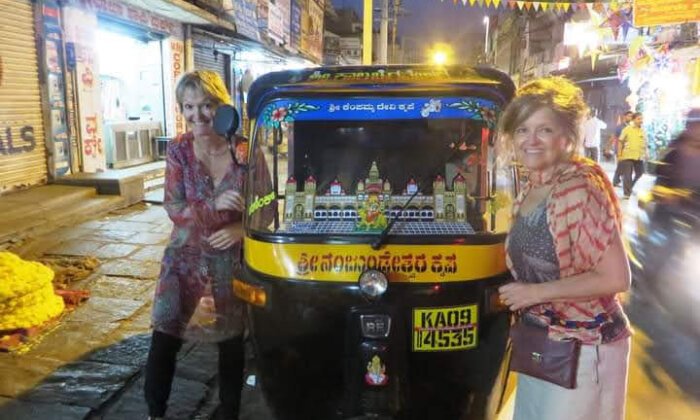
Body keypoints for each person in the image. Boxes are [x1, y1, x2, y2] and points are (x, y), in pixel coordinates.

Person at [497, 76, 632, 420]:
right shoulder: (534, 187)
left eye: (544, 130)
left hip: (586, 348)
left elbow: (616, 277)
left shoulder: (577, 187)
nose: (531, 140)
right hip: (547, 343)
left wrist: (533, 294)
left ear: (567, 137)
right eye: (523, 129)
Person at [144, 70, 272, 420]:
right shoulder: (178, 150)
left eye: (206, 106)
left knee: (230, 340)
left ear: (221, 106)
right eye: (189, 107)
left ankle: (228, 411)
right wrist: (213, 206)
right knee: (164, 334)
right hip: (183, 260)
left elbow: (269, 205)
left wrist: (242, 231)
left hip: (229, 261)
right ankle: (156, 412)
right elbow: (173, 207)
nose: (197, 115)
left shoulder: (244, 151)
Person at [618, 112, 647, 197]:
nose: (641, 120)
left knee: (640, 172)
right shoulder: (627, 129)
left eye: (642, 119)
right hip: (628, 155)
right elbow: (620, 141)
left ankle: (630, 186)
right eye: (639, 119)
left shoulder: (642, 130)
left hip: (639, 156)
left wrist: (646, 153)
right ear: (633, 120)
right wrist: (619, 154)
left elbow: (644, 143)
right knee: (627, 175)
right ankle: (627, 193)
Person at [610, 111, 633, 187]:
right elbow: (613, 137)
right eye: (628, 116)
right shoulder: (619, 127)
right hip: (620, 150)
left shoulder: (632, 127)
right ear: (624, 116)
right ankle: (617, 181)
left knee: (623, 167)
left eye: (631, 116)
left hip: (628, 150)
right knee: (621, 166)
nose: (630, 118)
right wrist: (608, 147)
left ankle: (617, 180)